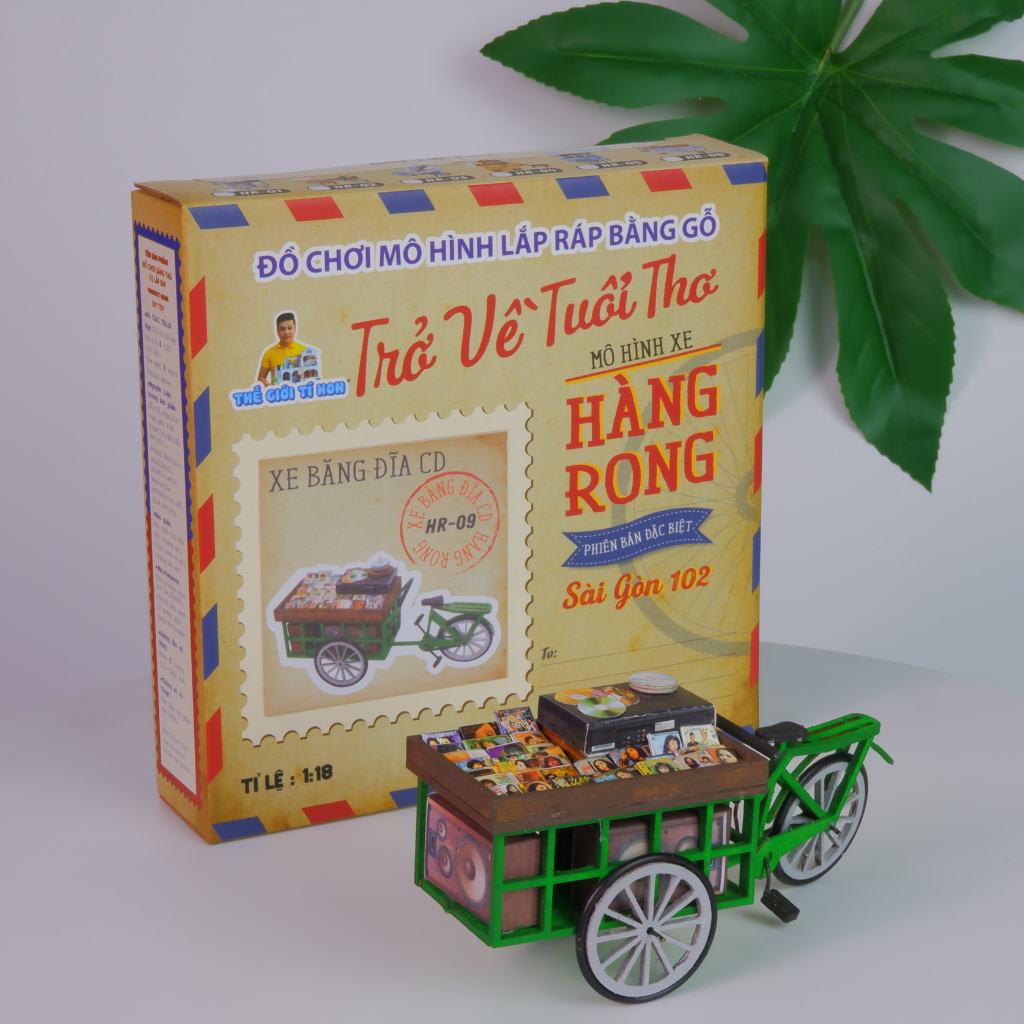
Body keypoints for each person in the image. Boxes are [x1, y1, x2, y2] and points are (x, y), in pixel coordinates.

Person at [258, 312, 306, 385]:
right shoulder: (269, 352)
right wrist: (270, 388)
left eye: (290, 328)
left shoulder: (304, 351)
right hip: (276, 391)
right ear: (277, 331)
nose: (286, 332)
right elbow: (261, 378)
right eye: (282, 329)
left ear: (295, 329)